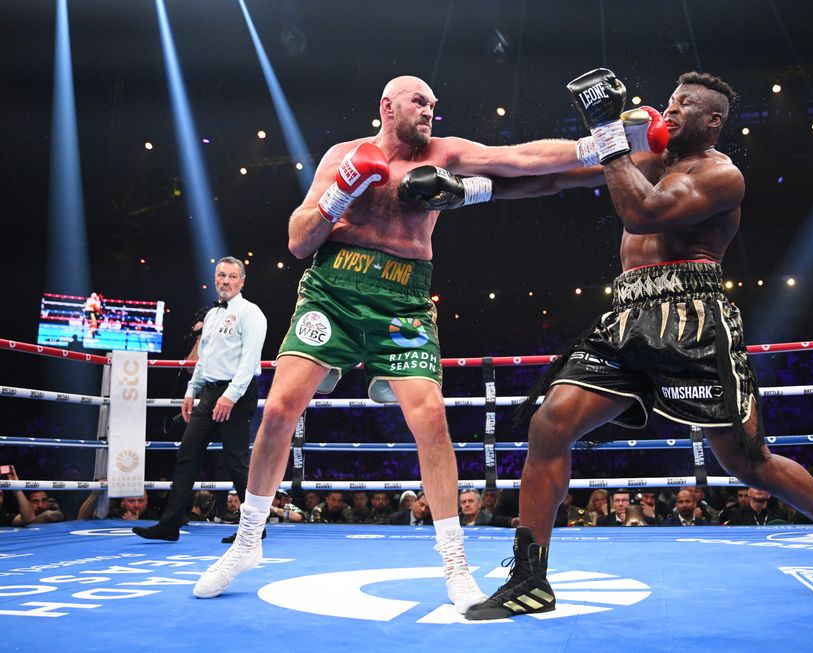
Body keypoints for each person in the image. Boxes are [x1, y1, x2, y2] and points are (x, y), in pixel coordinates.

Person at [462, 69, 813, 620]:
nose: (670, 110)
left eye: (686, 105)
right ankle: (530, 579)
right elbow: (558, 178)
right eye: (671, 101)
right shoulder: (644, 161)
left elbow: (643, 213)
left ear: (713, 122)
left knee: (747, 463)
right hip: (628, 314)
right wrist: (469, 190)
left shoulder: (721, 176)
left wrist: (608, 132)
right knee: (550, 422)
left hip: (693, 318)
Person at [193, 74, 601, 612]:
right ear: (387, 107)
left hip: (404, 301)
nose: (430, 110)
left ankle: (455, 563)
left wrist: (607, 145)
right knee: (278, 411)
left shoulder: (445, 153)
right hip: (333, 292)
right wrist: (342, 192)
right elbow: (298, 241)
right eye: (419, 101)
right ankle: (247, 542)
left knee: (431, 416)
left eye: (434, 103)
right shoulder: (345, 154)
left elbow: (520, 160)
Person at [133, 257, 267, 542]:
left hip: (237, 394)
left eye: (232, 276)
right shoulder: (212, 316)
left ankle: (255, 528)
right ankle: (170, 525)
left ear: (242, 281)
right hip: (208, 393)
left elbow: (249, 361)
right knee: (187, 454)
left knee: (235, 459)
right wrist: (191, 391)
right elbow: (204, 359)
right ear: (215, 278)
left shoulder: (251, 313)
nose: (226, 281)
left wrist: (230, 395)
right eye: (221, 275)